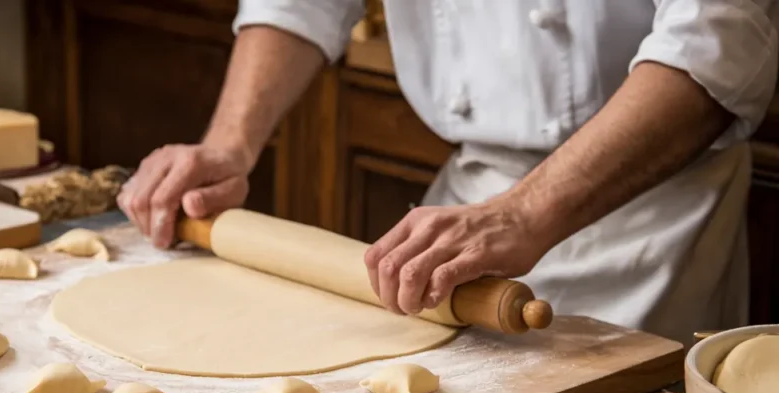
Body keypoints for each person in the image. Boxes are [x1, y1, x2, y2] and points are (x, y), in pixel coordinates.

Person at [117, 1, 779, 344]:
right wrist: (230, 146)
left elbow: (716, 45)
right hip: (469, 203)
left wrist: (526, 213)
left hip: (650, 219)